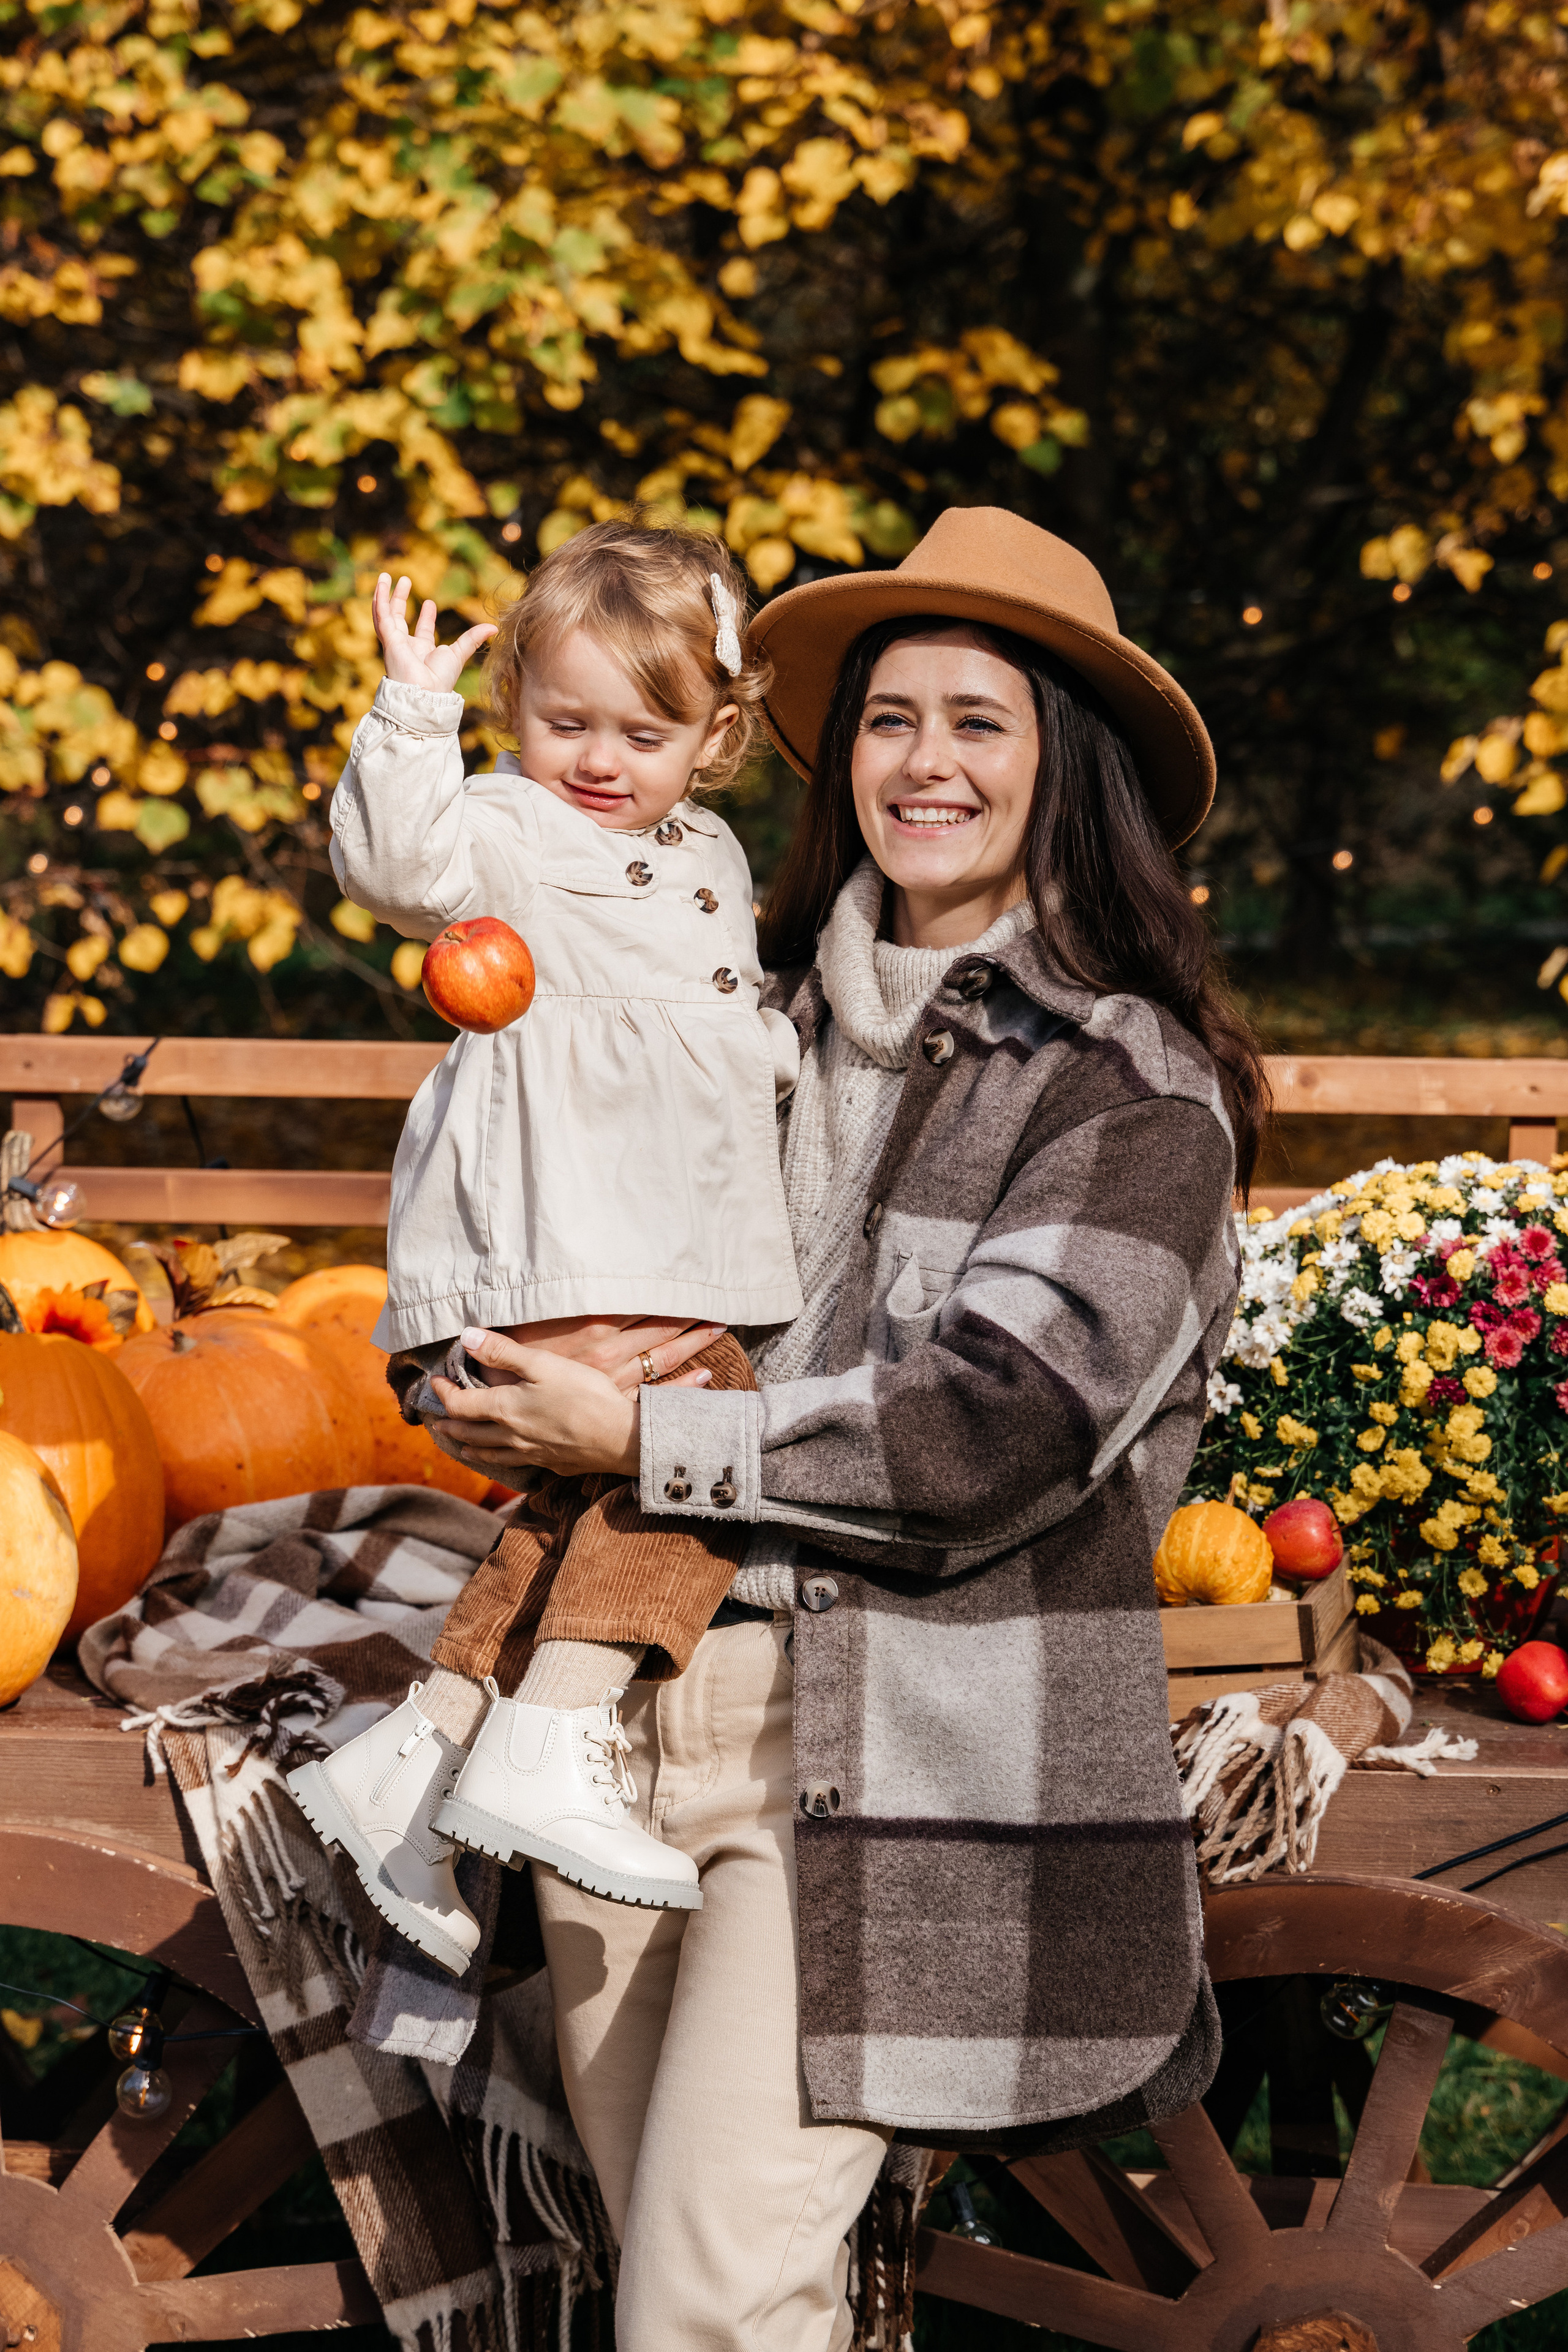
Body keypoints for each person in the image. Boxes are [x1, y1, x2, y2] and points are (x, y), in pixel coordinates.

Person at [415, 505, 1268, 2352]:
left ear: (1064, 768)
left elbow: (998, 1429)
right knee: (669, 2275)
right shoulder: (733, 1013)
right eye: (889, 718)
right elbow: (528, 1222)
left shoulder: (1126, 1089)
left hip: (884, 1751)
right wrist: (477, 1372)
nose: (924, 762)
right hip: (623, 1712)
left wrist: (636, 1439)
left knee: (708, 2310)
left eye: (978, 722)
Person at [285, 521, 805, 1977]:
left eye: (644, 733)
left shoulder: (707, 850)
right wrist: (413, 715)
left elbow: (709, 1016)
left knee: (592, 1492)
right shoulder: (506, 827)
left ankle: (421, 1753)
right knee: (699, 1439)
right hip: (550, 1222)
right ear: (516, 706)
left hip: (645, 1231)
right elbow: (393, 867)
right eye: (565, 719)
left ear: (714, 738)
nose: (598, 759)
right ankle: (554, 1731)